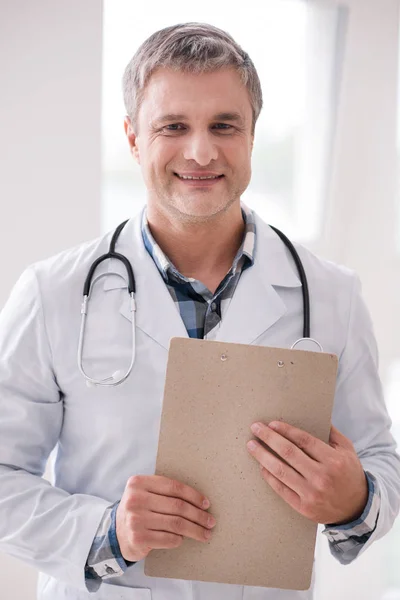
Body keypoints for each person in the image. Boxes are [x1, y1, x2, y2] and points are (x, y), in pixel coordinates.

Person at [0, 21, 399, 600]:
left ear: (253, 136)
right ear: (134, 139)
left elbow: (380, 461)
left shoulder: (330, 294)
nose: (202, 151)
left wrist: (354, 500)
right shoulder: (52, 293)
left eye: (224, 126)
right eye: (174, 126)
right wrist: (107, 531)